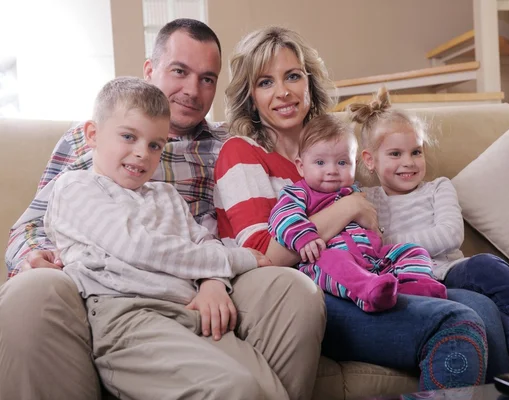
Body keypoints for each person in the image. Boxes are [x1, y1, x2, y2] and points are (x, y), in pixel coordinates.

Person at [1, 19, 325, 400]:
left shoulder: (227, 145)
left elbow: (210, 235)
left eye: (207, 78)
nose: (192, 89)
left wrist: (213, 280)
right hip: (108, 291)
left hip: (200, 285)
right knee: (32, 290)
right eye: (179, 72)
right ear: (149, 70)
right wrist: (36, 258)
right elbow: (33, 225)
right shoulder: (88, 142)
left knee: (292, 296)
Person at [214, 25, 509, 390]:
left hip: (366, 277)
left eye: (292, 76)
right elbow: (264, 257)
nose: (283, 92)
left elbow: (371, 230)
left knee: (480, 307)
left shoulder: (333, 150)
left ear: (310, 83)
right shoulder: (241, 152)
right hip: (307, 298)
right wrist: (348, 208)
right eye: (265, 82)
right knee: (456, 323)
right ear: (250, 95)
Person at [48, 76, 277, 398]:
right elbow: (138, 246)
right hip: (128, 314)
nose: (142, 153)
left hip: (191, 311)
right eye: (128, 136)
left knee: (269, 389)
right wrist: (235, 258)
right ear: (93, 135)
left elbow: (202, 241)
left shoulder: (165, 195)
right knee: (234, 389)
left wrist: (213, 280)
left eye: (155, 144)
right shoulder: (77, 187)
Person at [355, 86, 509, 377]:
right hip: (415, 284)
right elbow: (362, 248)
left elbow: (450, 235)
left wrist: (389, 245)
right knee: (480, 312)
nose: (408, 162)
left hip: (453, 270)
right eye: (395, 154)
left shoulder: (438, 188)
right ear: (370, 160)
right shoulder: (364, 200)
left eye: (416, 152)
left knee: (487, 264)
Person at [268, 114, 447, 313]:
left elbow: (374, 226)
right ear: (301, 166)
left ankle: (414, 287)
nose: (332, 171)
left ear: (355, 164)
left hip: (372, 259)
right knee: (333, 261)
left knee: (412, 250)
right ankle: (369, 292)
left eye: (342, 163)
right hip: (324, 262)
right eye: (320, 163)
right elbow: (282, 217)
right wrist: (305, 238)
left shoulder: (356, 193)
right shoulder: (299, 192)